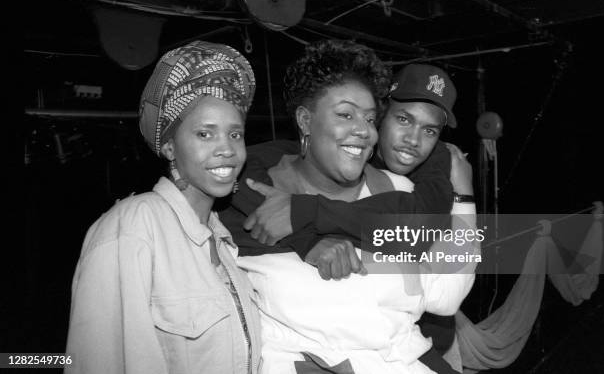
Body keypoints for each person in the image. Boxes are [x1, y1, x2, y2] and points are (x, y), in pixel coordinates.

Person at [230, 39, 477, 373]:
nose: (414, 140)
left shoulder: (409, 187)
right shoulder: (257, 189)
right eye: (402, 119)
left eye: (430, 130)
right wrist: (306, 238)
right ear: (305, 120)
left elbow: (444, 292)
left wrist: (463, 199)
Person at [65, 41, 261, 374]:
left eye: (235, 134)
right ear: (169, 146)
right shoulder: (132, 228)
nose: (226, 149)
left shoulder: (224, 240)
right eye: (204, 133)